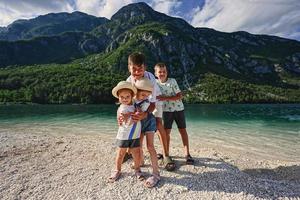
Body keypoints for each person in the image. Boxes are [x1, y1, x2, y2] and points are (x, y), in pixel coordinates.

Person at [123, 52, 161, 188]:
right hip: (135, 117)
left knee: (150, 146)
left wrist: (145, 114)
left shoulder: (151, 79)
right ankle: (138, 169)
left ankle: (156, 174)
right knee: (137, 146)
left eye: (140, 69)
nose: (137, 72)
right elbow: (126, 103)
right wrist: (124, 116)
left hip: (147, 115)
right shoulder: (128, 81)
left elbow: (153, 103)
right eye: (134, 69)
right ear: (129, 67)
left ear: (145, 67)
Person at [154, 63, 194, 165]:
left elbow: (179, 96)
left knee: (182, 131)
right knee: (166, 133)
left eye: (164, 71)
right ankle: (165, 153)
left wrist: (165, 98)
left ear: (167, 72)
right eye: (160, 72)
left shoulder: (172, 81)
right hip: (166, 111)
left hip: (179, 109)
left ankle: (187, 154)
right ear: (155, 73)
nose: (162, 73)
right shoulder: (154, 83)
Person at [108, 81, 144, 182]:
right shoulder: (122, 108)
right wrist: (129, 115)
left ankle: (137, 169)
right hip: (123, 135)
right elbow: (125, 117)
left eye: (127, 96)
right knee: (120, 153)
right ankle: (117, 170)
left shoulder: (136, 105)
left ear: (132, 96)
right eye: (122, 97)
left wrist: (135, 113)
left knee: (136, 153)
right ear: (118, 98)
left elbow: (139, 113)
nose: (124, 99)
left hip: (135, 135)